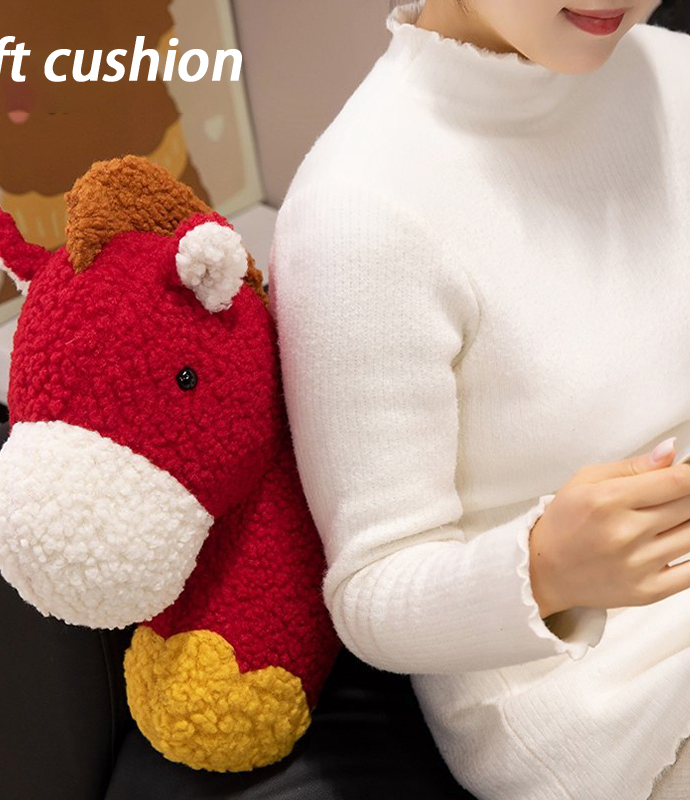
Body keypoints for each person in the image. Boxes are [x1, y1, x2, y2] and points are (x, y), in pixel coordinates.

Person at [266, 1, 690, 798]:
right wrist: (545, 568)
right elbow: (371, 593)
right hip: (592, 694)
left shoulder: (672, 74)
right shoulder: (359, 208)